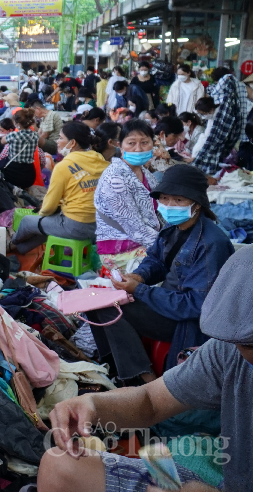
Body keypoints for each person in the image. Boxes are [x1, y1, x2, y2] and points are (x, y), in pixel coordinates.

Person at [40, 245, 253, 492]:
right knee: (60, 466)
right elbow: (151, 400)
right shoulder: (228, 351)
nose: (241, 350)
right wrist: (93, 405)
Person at [88, 164, 234, 386]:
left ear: (197, 204)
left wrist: (140, 290)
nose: (168, 205)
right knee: (95, 302)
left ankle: (144, 380)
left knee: (110, 309)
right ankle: (114, 365)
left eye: (178, 200)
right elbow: (156, 260)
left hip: (186, 321)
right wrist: (139, 277)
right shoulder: (172, 229)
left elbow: (195, 306)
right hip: (167, 303)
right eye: (165, 199)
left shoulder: (212, 243)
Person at [11, 122, 108, 254]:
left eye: (61, 138)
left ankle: (11, 245)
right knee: (47, 225)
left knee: (28, 221)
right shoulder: (101, 160)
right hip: (99, 225)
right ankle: (20, 249)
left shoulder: (63, 166)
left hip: (77, 225)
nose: (57, 141)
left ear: (72, 143)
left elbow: (49, 206)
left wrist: (41, 215)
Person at [94, 120, 160, 273]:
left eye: (144, 142)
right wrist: (166, 244)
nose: (138, 149)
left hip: (145, 238)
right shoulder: (115, 178)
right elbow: (134, 228)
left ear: (152, 144)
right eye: (131, 143)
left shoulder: (145, 173)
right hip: (120, 248)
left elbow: (158, 210)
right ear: (120, 145)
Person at [193, 67, 243, 176]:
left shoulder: (222, 114)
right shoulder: (235, 92)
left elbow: (212, 136)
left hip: (230, 147)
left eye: (203, 114)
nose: (202, 117)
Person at [0, 108, 38, 190]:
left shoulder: (14, 135)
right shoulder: (35, 136)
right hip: (30, 174)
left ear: (17, 124)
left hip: (13, 173)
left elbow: (2, 141)